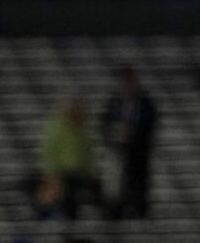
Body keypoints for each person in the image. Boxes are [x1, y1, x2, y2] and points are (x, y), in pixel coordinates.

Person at [104, 68, 159, 219]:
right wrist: (114, 134)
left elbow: (150, 123)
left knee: (138, 183)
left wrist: (132, 134)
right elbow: (105, 123)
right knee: (116, 186)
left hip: (138, 152)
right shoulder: (114, 102)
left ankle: (140, 212)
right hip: (118, 151)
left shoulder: (145, 103)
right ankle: (116, 212)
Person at [38, 99, 102, 220]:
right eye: (73, 109)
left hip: (79, 173)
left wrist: (91, 173)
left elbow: (89, 153)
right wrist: (52, 173)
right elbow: (49, 151)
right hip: (62, 173)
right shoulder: (58, 129)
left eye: (77, 110)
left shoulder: (84, 130)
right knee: (64, 197)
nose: (75, 113)